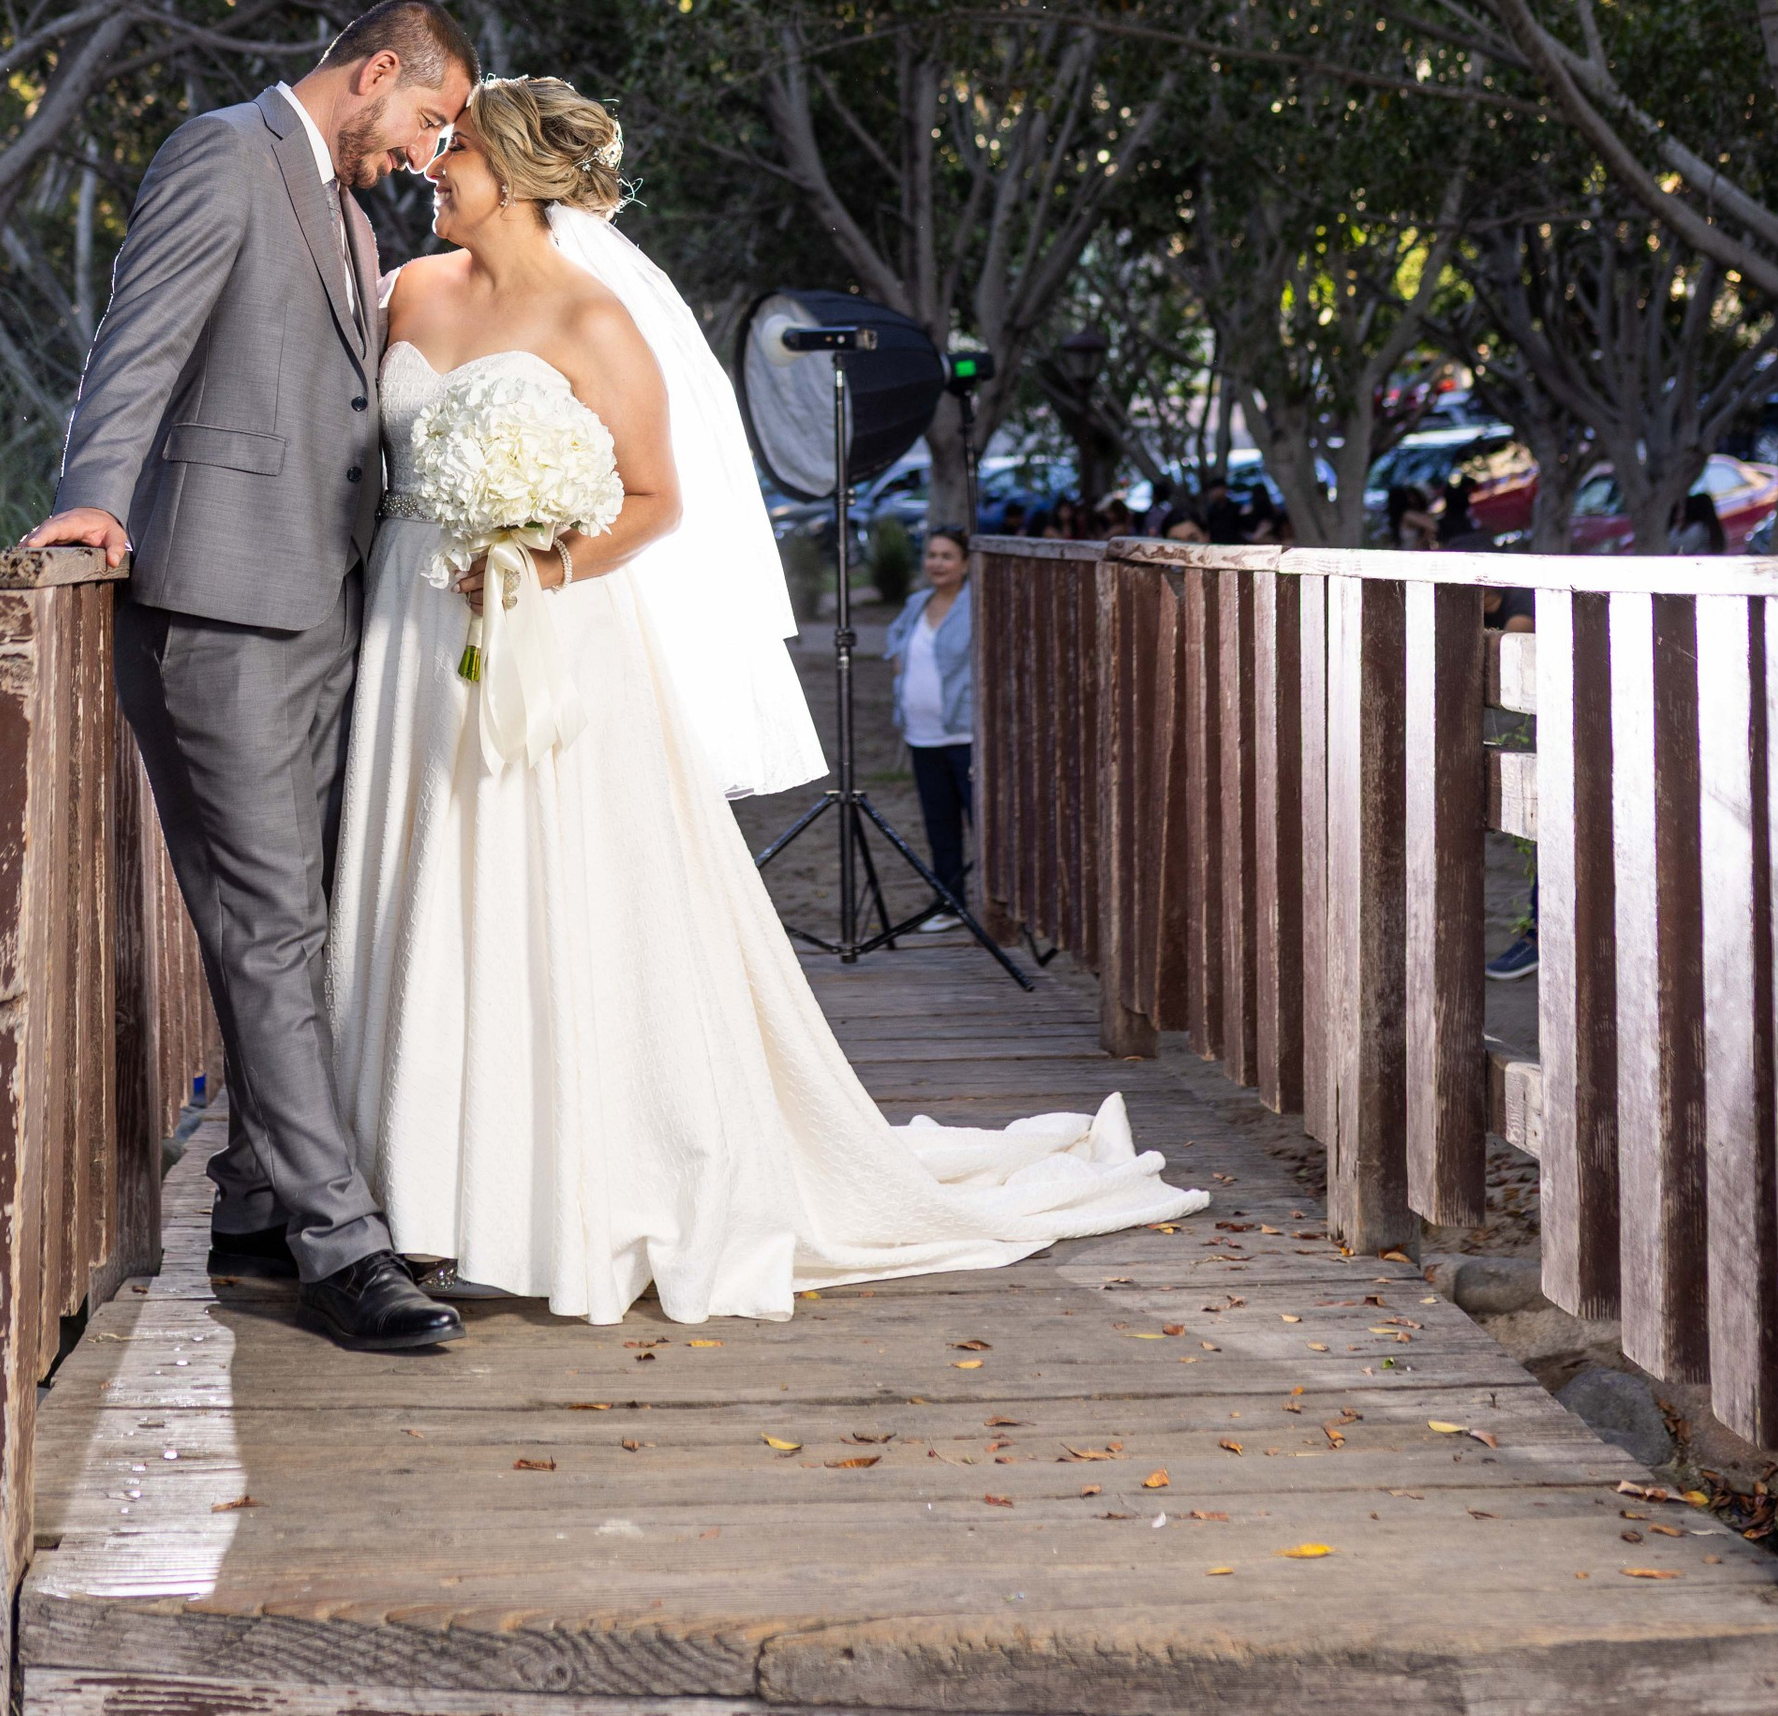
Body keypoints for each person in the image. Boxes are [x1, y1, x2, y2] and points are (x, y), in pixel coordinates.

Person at [327, 76, 1204, 1325]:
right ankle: (415, 1189)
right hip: (415, 635)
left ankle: (562, 1182)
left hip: (553, 636)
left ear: (513, 174)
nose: (433, 169)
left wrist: (538, 559)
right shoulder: (409, 292)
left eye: (451, 151)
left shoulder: (596, 318)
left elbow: (654, 501)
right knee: (421, 886)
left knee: (552, 900)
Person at [28, 0, 477, 1359]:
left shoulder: (348, 216)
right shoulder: (225, 151)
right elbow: (144, 333)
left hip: (322, 603)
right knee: (275, 919)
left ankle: (246, 1197)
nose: (426, 150)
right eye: (426, 121)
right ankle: (341, 1251)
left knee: (285, 914)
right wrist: (94, 493)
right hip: (218, 604)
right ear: (376, 70)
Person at [887, 526, 974, 929]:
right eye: (932, 555)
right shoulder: (917, 603)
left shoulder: (975, 605)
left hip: (965, 737)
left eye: (947, 556)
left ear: (966, 564)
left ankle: (1001, 909)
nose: (936, 563)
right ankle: (950, 904)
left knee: (983, 822)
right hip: (921, 735)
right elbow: (897, 647)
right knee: (940, 825)